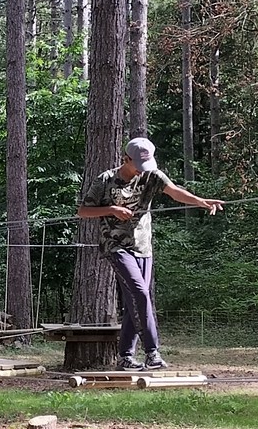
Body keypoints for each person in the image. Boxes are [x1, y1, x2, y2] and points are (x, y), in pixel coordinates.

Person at [76, 136, 224, 371]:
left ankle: (125, 357)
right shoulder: (105, 180)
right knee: (140, 293)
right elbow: (83, 211)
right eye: (137, 165)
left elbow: (175, 192)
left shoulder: (152, 175)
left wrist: (201, 202)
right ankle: (152, 353)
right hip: (116, 246)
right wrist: (112, 209)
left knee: (137, 300)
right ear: (125, 159)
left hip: (143, 247)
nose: (141, 171)